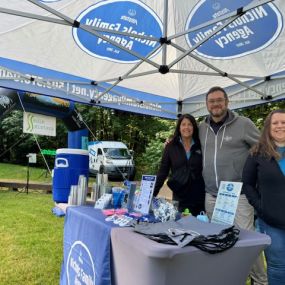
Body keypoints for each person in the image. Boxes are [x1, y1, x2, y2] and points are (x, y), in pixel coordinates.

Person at [199, 86, 267, 285]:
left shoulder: (244, 124)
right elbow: (187, 141)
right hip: (211, 194)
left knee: (247, 239)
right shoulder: (202, 127)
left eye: (219, 100)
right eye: (211, 101)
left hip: (239, 194)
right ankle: (228, 276)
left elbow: (263, 149)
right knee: (218, 238)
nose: (215, 104)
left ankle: (260, 280)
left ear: (227, 102)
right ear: (206, 104)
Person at [242, 109, 285, 285]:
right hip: (271, 223)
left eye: (284, 122)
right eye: (275, 123)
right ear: (268, 127)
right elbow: (247, 184)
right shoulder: (257, 153)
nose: (280, 126)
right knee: (277, 268)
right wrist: (262, 207)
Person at [153, 114, 205, 216]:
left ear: (194, 127)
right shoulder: (171, 147)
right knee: (180, 226)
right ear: (179, 127)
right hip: (179, 195)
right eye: (183, 124)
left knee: (198, 227)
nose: (186, 127)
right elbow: (163, 172)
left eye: (190, 124)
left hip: (199, 196)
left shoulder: (201, 145)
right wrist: (151, 194)